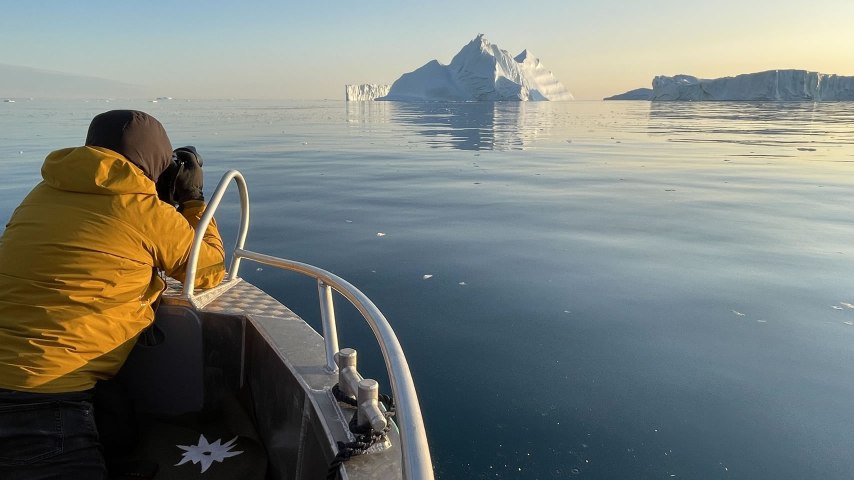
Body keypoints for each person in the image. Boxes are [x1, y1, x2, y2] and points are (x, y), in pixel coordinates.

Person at [0, 110, 226, 479]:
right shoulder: (145, 211)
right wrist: (192, 198)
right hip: (44, 400)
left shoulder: (40, 194)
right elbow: (208, 269)